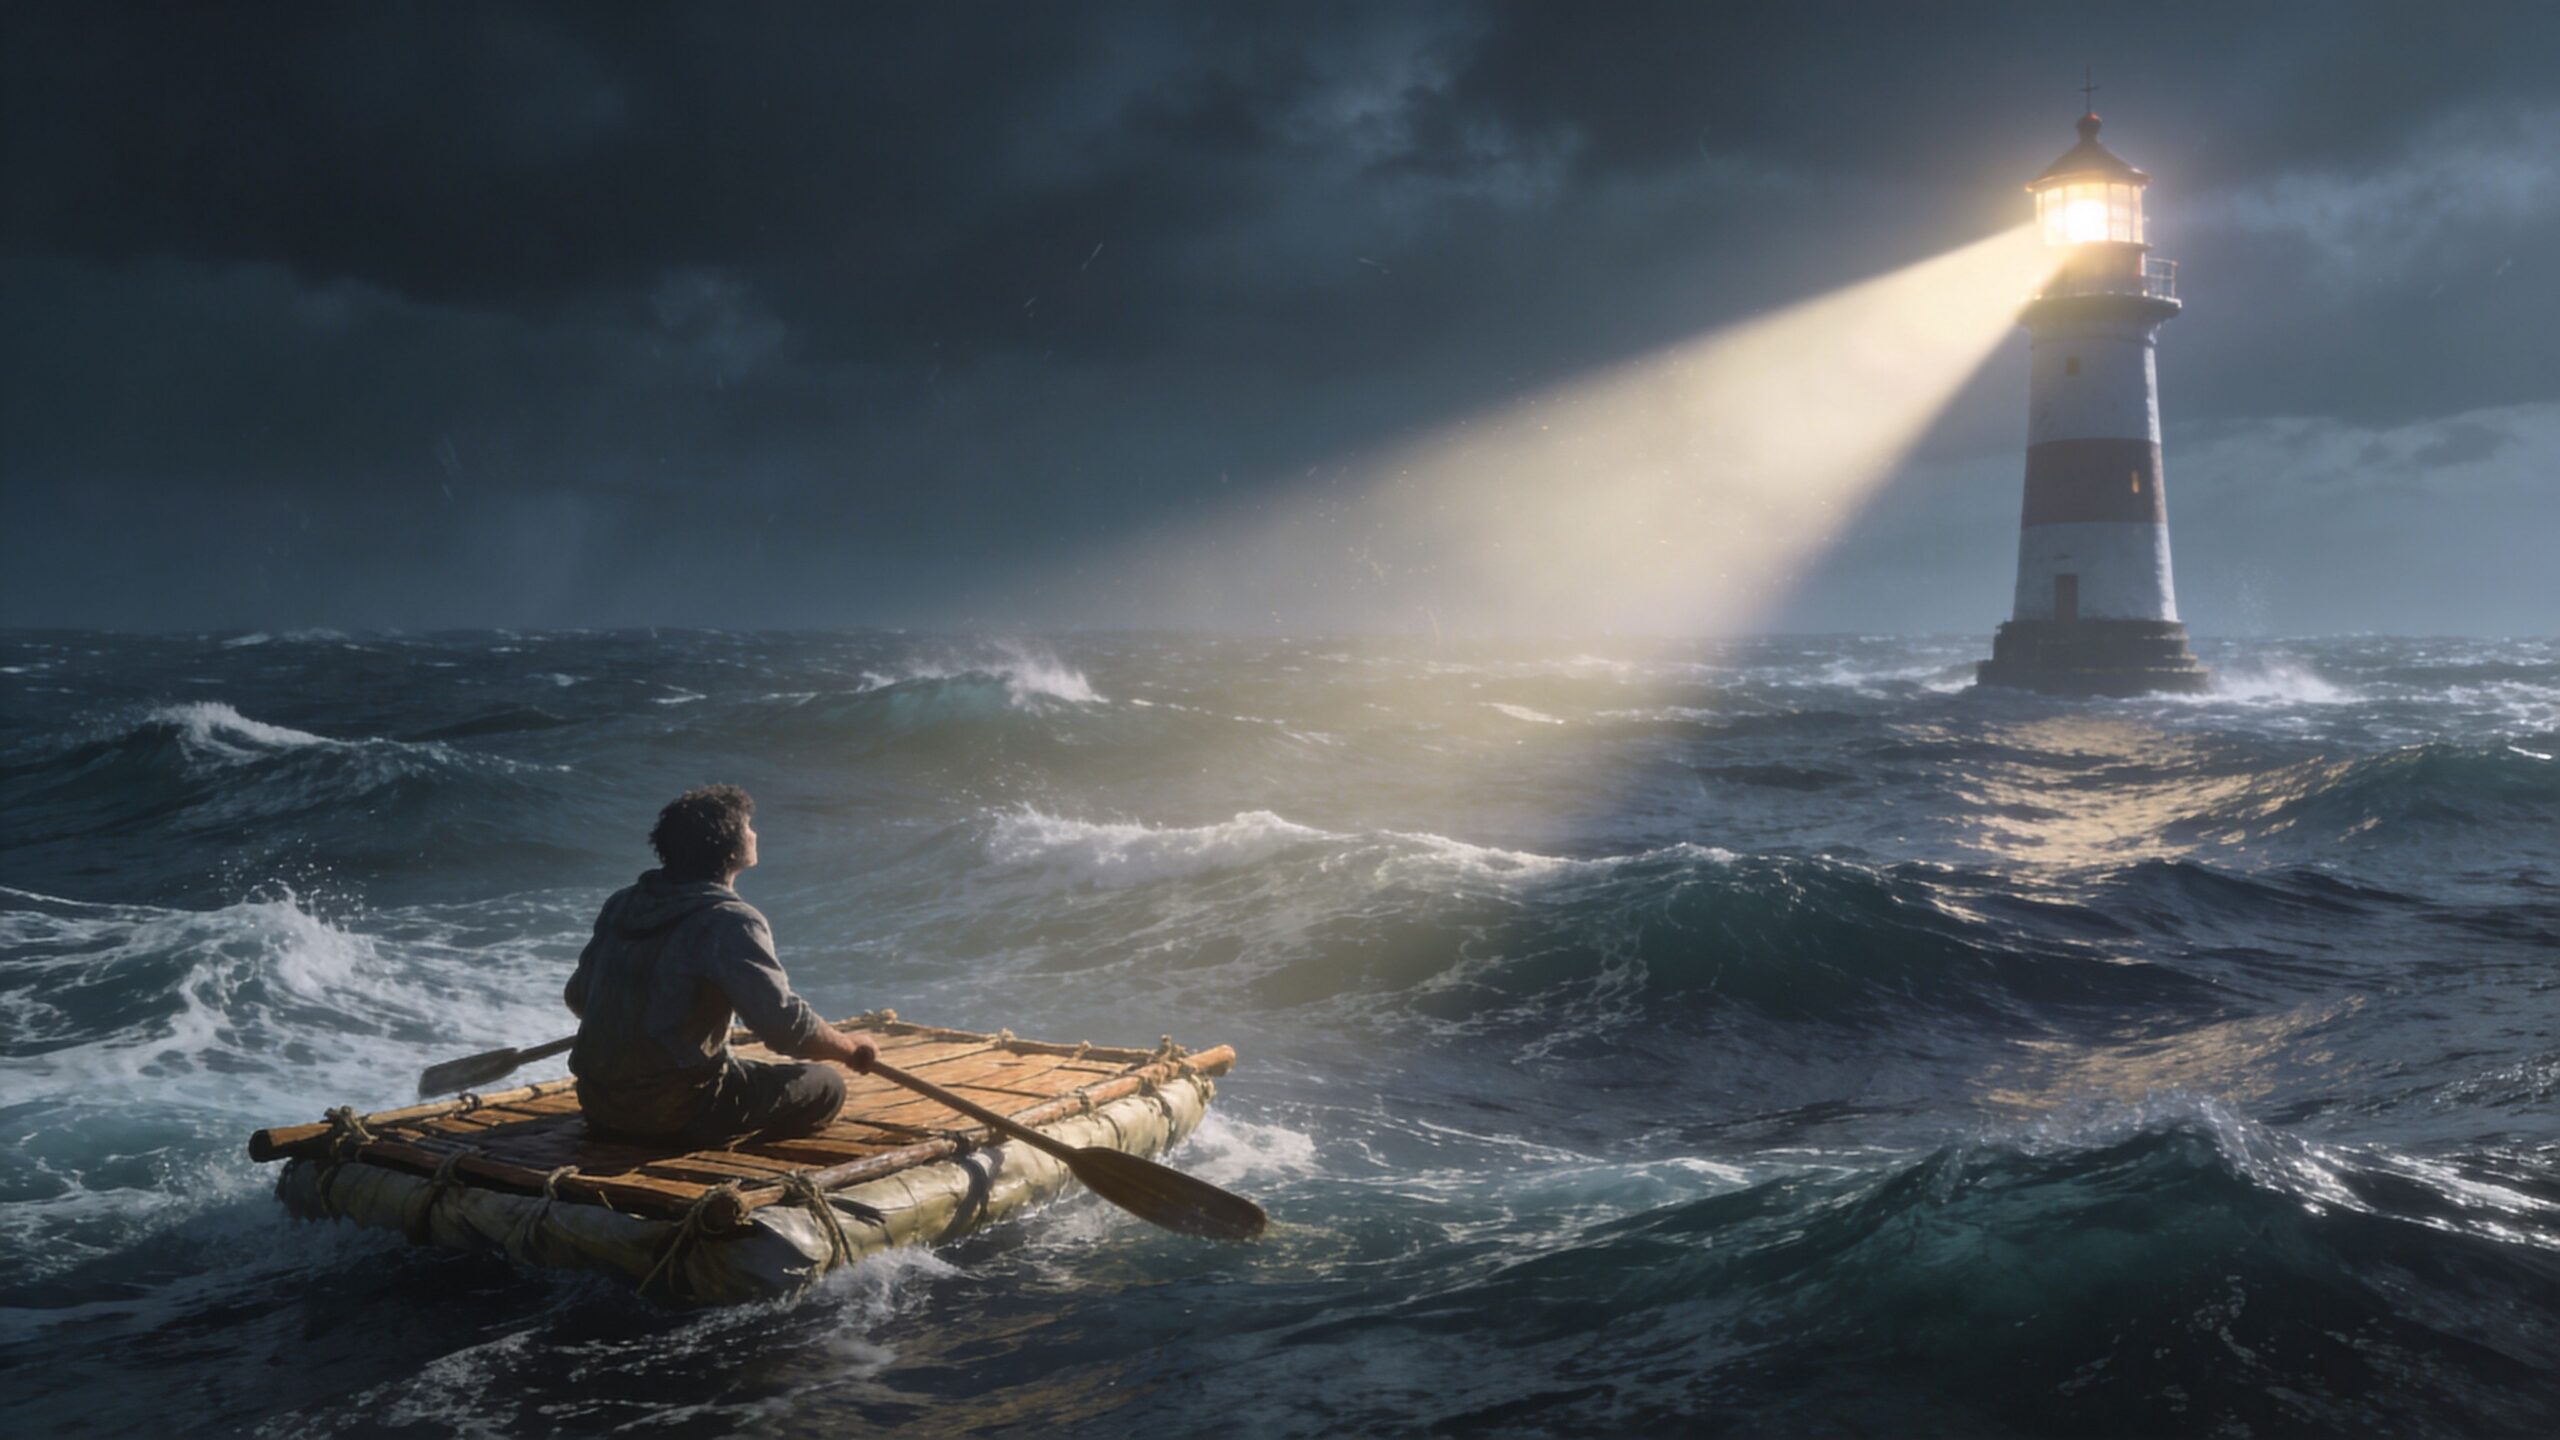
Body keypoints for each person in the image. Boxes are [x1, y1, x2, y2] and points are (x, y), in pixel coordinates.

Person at [565, 784, 877, 1145]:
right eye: (747, 826)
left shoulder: (623, 904)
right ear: (729, 846)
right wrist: (851, 1049)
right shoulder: (729, 920)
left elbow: (579, 997)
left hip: (599, 1105)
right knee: (826, 1086)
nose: (754, 833)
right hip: (678, 1112)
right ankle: (721, 1146)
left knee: (738, 1071)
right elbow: (785, 1029)